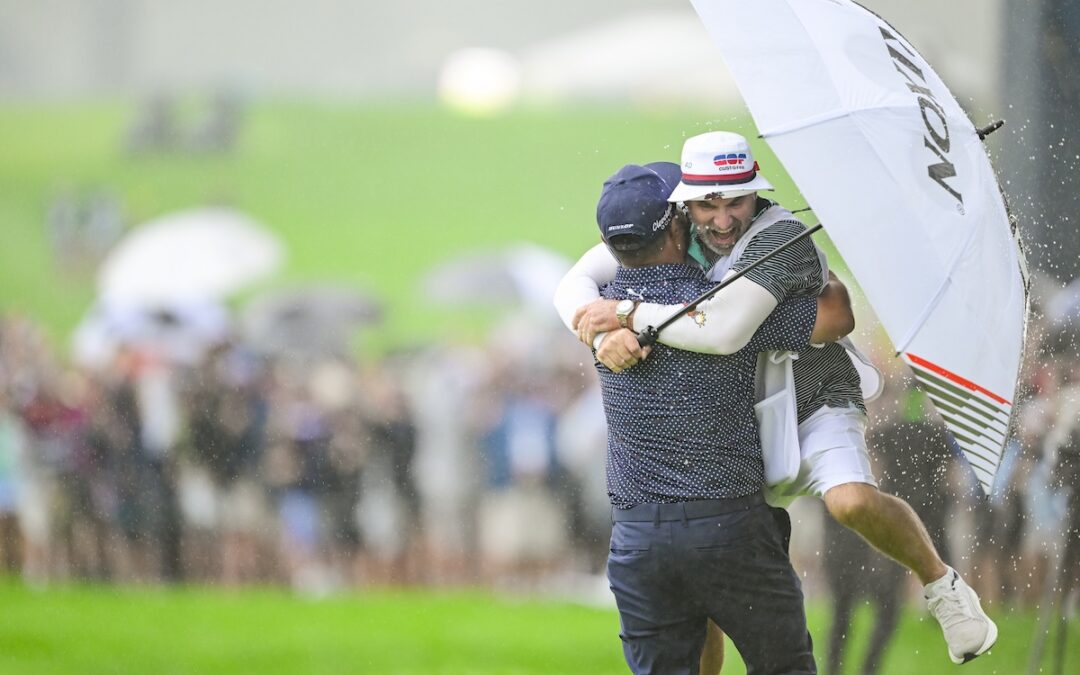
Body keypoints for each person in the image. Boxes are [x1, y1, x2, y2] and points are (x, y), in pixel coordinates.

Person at [554, 131, 997, 668]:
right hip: (740, 409)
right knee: (710, 576)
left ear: (755, 192)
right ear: (682, 205)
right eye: (707, 205)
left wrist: (626, 316)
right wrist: (599, 335)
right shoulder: (679, 227)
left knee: (849, 501)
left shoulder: (777, 236)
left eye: (735, 202)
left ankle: (941, 584)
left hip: (811, 394)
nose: (721, 221)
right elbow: (574, 283)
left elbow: (736, 330)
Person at [575, 160, 853, 675]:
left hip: (638, 538)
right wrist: (820, 275)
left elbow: (580, 294)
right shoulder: (720, 302)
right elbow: (835, 318)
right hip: (731, 528)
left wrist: (607, 324)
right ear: (679, 225)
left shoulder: (596, 316)